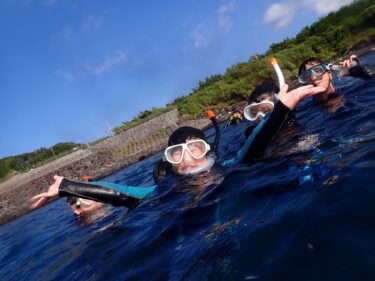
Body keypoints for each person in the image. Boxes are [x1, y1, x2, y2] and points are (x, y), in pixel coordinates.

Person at [30, 83, 325, 210]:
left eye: (195, 147)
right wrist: (68, 186)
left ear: (208, 151)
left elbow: (254, 147)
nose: (188, 158)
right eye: (177, 153)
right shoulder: (163, 193)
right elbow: (123, 195)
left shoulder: (233, 166)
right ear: (169, 163)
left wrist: (280, 109)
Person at [297, 54, 371, 101]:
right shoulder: (306, 112)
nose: (313, 78)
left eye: (318, 70)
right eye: (306, 76)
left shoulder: (351, 94)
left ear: (330, 74)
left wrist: (362, 70)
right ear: (304, 83)